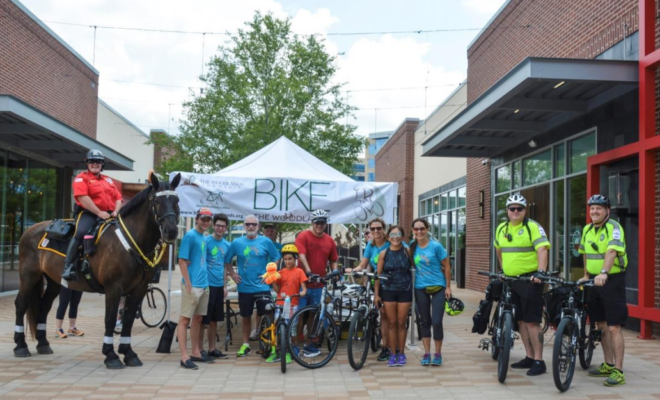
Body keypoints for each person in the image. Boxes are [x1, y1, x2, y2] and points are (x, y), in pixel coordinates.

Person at [494, 194, 550, 376]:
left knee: (532, 321)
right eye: (512, 208)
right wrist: (503, 270)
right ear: (507, 211)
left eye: (519, 208)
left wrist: (540, 272)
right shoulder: (501, 228)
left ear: (525, 210)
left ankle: (539, 361)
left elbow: (542, 249)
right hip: (511, 281)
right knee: (520, 321)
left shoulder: (533, 227)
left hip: (530, 280)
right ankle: (529, 356)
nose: (515, 211)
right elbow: (499, 249)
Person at [579, 194, 628, 387]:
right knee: (601, 324)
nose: (594, 211)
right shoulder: (587, 230)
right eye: (592, 208)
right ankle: (608, 364)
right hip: (594, 281)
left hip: (612, 280)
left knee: (614, 326)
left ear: (607, 210)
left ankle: (619, 370)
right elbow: (585, 253)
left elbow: (612, 251)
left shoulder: (614, 228)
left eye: (598, 208)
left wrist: (604, 272)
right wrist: (586, 275)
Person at [62, 149, 122, 281]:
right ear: (87, 163)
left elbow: (118, 198)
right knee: (81, 232)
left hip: (109, 215)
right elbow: (82, 197)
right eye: (91, 161)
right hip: (89, 214)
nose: (95, 164)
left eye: (98, 162)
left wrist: (116, 211)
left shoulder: (108, 180)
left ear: (102, 164)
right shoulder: (81, 178)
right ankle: (68, 266)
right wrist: (99, 213)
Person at [224, 215, 280, 357]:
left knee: (268, 313)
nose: (250, 227)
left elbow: (277, 257)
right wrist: (232, 275)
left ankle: (269, 342)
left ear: (258, 226)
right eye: (248, 224)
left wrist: (270, 273)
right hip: (245, 287)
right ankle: (245, 344)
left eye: (253, 224)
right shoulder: (237, 243)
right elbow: (227, 261)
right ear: (244, 226)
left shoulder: (266, 241)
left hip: (262, 287)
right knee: (245, 316)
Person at [346, 217, 393, 361]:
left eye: (379, 228)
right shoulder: (370, 246)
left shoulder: (391, 242)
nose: (376, 231)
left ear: (383, 229)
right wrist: (353, 270)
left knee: (385, 315)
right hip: (376, 281)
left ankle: (387, 347)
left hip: (391, 282)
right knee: (376, 309)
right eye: (373, 229)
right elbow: (363, 264)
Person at [294, 209, 339, 357]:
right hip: (303, 283)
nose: (320, 225)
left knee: (314, 314)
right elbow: (301, 255)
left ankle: (309, 345)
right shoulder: (303, 236)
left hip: (319, 283)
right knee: (299, 314)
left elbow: (333, 260)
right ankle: (294, 345)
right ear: (312, 223)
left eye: (322, 222)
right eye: (317, 222)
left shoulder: (329, 240)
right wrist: (308, 271)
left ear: (326, 223)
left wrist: (335, 272)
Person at [411, 218, 451, 366]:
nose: (419, 231)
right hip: (420, 287)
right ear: (412, 231)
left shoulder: (436, 246)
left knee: (437, 321)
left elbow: (447, 267)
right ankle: (427, 353)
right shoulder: (412, 246)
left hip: (438, 286)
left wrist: (448, 287)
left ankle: (438, 353)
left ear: (427, 229)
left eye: (422, 228)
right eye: (416, 229)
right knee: (424, 321)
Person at [177, 207, 214, 370]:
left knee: (198, 319)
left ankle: (196, 352)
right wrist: (188, 283)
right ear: (197, 219)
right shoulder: (190, 236)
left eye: (208, 220)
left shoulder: (203, 237)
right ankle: (184, 357)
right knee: (185, 320)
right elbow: (181, 261)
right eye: (203, 219)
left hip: (204, 285)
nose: (206, 222)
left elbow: (198, 259)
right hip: (192, 286)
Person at [374, 225, 412, 367]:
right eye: (393, 235)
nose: (395, 237)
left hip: (405, 290)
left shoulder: (408, 251)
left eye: (398, 234)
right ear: (388, 237)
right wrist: (377, 295)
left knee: (401, 323)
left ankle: (401, 353)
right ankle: (392, 354)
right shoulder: (384, 253)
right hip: (388, 291)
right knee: (391, 323)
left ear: (402, 237)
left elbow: (415, 269)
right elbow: (377, 276)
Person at [268, 244, 307, 364]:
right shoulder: (281, 272)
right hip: (280, 303)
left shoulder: (299, 272)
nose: (288, 261)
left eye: (290, 259)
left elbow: (304, 289)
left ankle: (292, 349)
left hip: (293, 304)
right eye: (285, 259)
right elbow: (277, 290)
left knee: (292, 328)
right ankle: (278, 351)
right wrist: (273, 280)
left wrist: (302, 293)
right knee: (278, 327)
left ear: (295, 259)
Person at [201, 213, 231, 360]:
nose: (220, 228)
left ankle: (212, 349)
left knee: (214, 320)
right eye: (218, 225)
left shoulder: (227, 245)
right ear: (213, 226)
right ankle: (199, 350)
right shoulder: (206, 241)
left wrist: (225, 286)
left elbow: (226, 266)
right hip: (206, 285)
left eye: (223, 226)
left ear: (226, 228)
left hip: (219, 286)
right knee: (202, 320)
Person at [246, 223, 283, 341]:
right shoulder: (258, 243)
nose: (269, 232)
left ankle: (272, 329)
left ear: (275, 232)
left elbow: (281, 260)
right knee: (258, 307)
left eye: (272, 230)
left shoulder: (279, 246)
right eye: (267, 230)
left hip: (275, 279)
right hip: (260, 279)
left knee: (273, 306)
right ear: (263, 232)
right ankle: (256, 330)